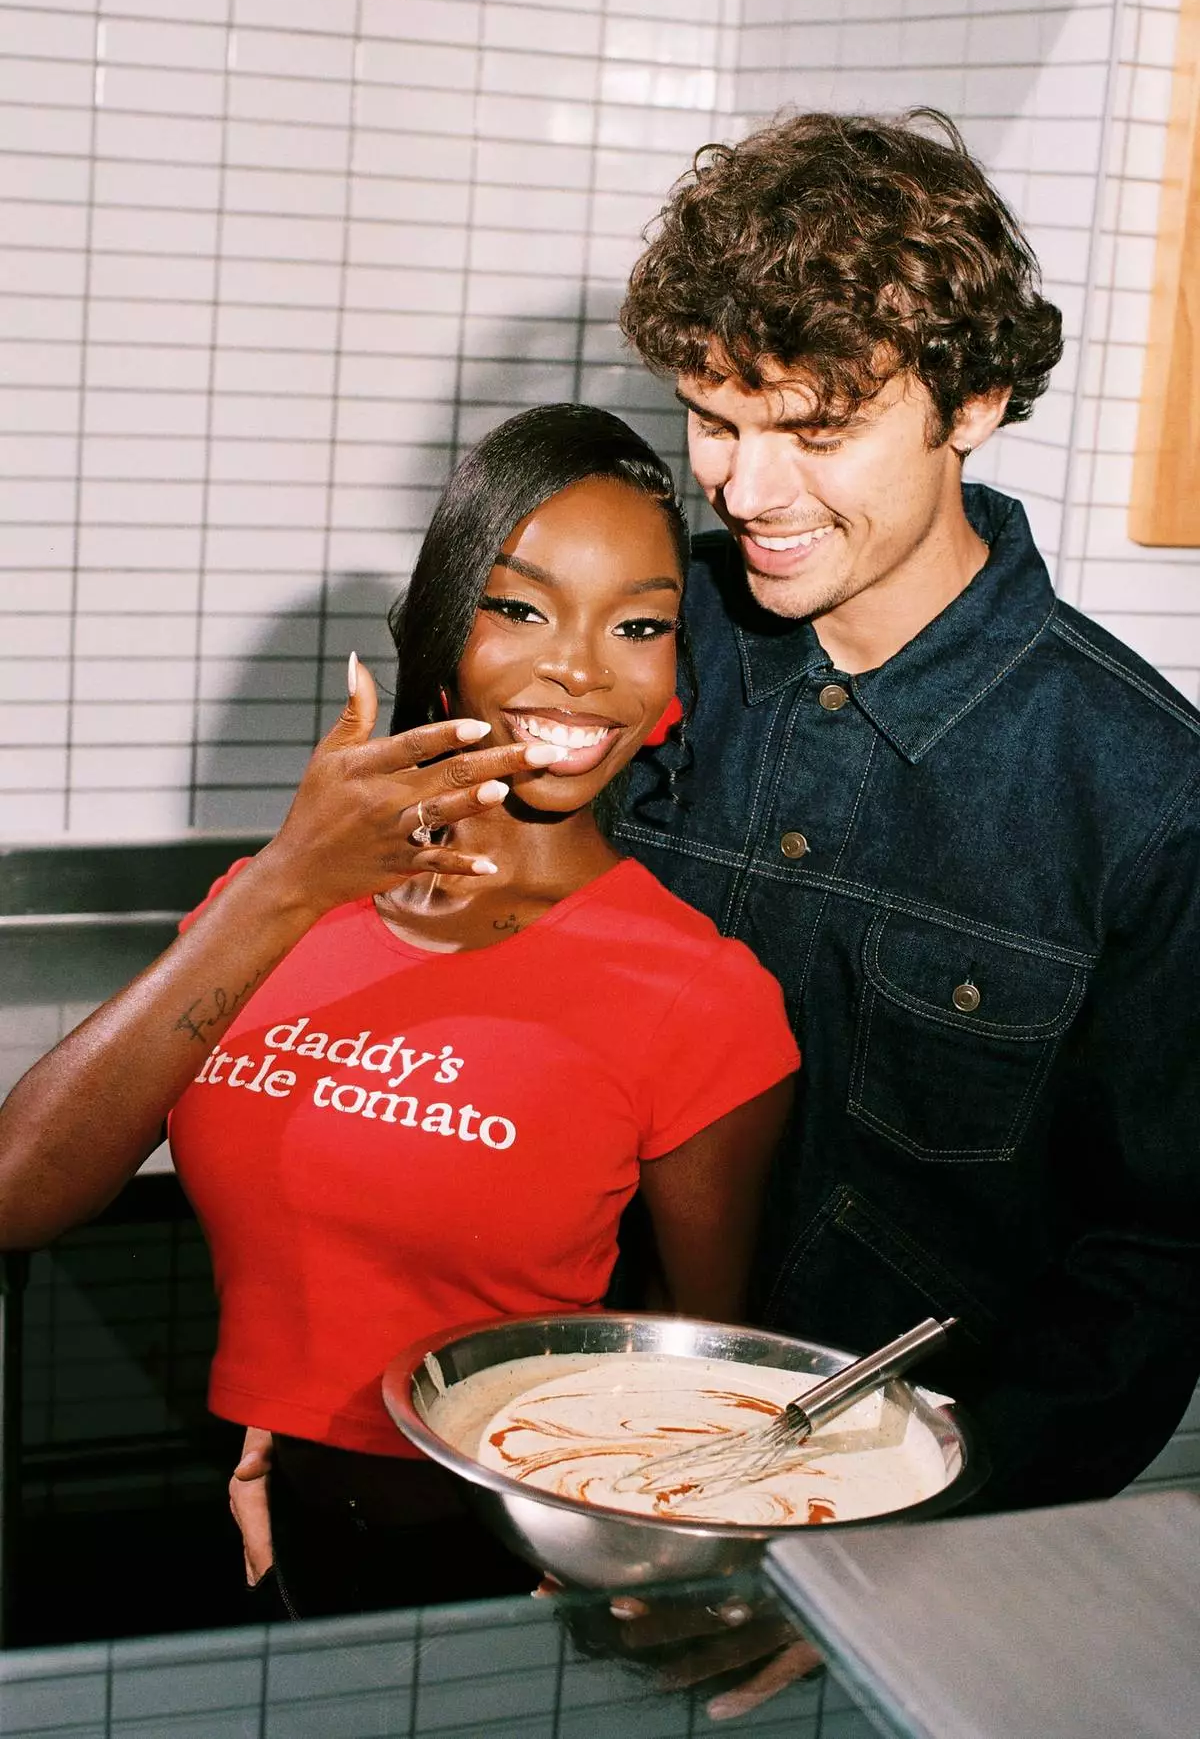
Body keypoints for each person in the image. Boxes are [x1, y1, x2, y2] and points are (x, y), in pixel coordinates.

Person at [0, 404, 798, 1618]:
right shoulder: (277, 904)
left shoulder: (696, 987)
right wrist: (284, 882)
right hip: (268, 1520)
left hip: (516, 1566)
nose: (584, 666)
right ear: (442, 630)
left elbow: (702, 1368)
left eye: (640, 625)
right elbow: (19, 1191)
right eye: (522, 608)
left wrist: (618, 1564)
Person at [615, 108, 1200, 1515]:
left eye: (815, 429)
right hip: (556, 1422)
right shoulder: (632, 634)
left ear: (973, 402)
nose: (747, 488)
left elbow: (1158, 1263)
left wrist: (937, 1521)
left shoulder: (1149, 795)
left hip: (887, 1522)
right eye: (715, 420)